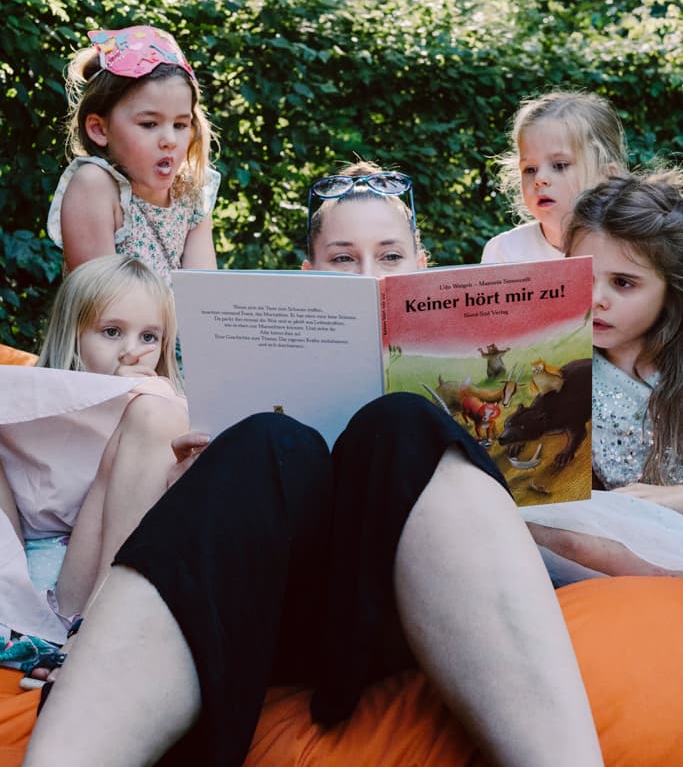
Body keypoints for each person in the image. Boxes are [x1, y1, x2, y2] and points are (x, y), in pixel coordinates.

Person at [23, 162, 604, 767]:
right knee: (266, 441)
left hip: (409, 599)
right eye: (343, 259)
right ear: (309, 274)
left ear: (422, 267)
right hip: (268, 606)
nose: (368, 275)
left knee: (405, 422)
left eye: (390, 256)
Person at [0, 255, 190, 670]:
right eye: (111, 332)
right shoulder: (31, 399)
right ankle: (17, 627)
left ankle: (92, 637)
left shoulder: (165, 406)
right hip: (25, 580)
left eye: (149, 337)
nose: (131, 353)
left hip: (99, 587)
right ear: (73, 335)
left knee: (157, 410)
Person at [522, 170, 683, 580]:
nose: (597, 300)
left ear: (670, 287)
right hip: (605, 533)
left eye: (623, 283)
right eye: (583, 278)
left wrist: (674, 498)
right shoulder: (567, 368)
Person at [47, 25, 220, 282]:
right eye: (149, 124)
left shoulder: (191, 192)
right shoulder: (95, 185)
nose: (169, 141)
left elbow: (204, 294)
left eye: (180, 125)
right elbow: (102, 306)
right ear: (99, 129)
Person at [481, 90, 627, 264]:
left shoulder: (633, 247)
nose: (539, 179)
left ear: (607, 176)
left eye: (560, 166)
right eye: (530, 169)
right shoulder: (505, 251)